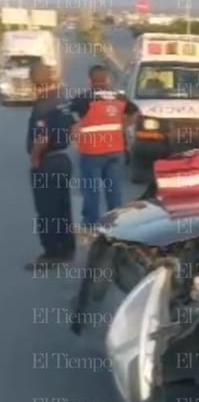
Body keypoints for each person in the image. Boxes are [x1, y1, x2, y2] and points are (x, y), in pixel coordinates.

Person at [70, 64, 138, 227]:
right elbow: (134, 112)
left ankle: (91, 224)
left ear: (90, 81)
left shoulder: (85, 99)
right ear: (107, 79)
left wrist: (76, 135)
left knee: (91, 191)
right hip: (115, 150)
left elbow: (70, 118)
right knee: (114, 189)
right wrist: (123, 126)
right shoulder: (120, 98)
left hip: (92, 152)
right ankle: (116, 223)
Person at [25, 63, 76, 271]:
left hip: (48, 162)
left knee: (47, 211)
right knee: (63, 208)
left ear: (36, 82)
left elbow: (42, 138)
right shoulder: (62, 99)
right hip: (63, 160)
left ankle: (51, 254)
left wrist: (35, 158)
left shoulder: (43, 105)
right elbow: (74, 126)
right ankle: (66, 249)